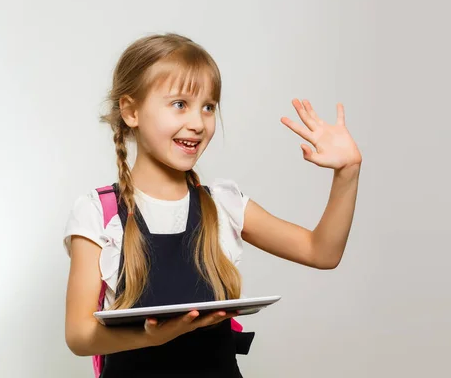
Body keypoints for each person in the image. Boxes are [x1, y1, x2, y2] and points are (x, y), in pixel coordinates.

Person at [63, 32, 362, 378]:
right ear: (131, 111)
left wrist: (347, 172)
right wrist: (146, 336)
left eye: (208, 106)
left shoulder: (223, 205)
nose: (198, 122)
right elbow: (79, 336)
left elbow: (321, 252)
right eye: (180, 104)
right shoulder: (98, 213)